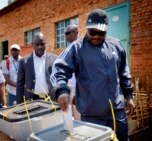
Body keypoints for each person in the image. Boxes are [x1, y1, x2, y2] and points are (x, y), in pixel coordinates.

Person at [50, 9, 135, 141]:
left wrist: (129, 96)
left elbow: (124, 73)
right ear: (86, 29)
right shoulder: (76, 48)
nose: (96, 36)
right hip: (92, 116)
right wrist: (62, 90)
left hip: (117, 113)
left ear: (106, 30)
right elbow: (58, 69)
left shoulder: (116, 46)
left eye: (100, 33)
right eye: (92, 32)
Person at [16, 32, 57, 104]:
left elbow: (59, 80)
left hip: (50, 99)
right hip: (32, 99)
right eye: (37, 44)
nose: (40, 47)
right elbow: (20, 84)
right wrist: (20, 103)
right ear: (32, 44)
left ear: (45, 44)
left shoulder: (55, 59)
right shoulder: (24, 61)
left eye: (42, 44)